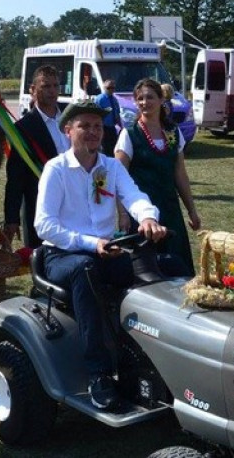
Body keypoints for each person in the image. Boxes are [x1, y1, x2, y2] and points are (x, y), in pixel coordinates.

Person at [35, 99, 167, 411]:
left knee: (163, 267)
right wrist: (90, 243)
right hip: (62, 256)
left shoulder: (111, 167)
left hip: (105, 251)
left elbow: (134, 197)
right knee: (85, 270)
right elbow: (44, 225)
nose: (93, 132)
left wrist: (148, 218)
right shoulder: (56, 170)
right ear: (68, 131)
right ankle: (99, 374)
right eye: (85, 126)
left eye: (97, 126)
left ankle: (149, 359)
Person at [115, 78, 200, 277]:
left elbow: (180, 175)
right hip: (140, 215)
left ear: (162, 99)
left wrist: (192, 211)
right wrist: (123, 214)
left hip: (170, 210)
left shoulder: (173, 133)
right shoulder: (129, 134)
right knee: (148, 271)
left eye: (150, 97)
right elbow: (118, 177)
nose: (144, 102)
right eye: (140, 98)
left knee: (178, 267)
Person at [3, 65, 69, 249]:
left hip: (73, 203)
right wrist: (11, 219)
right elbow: (15, 177)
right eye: (46, 86)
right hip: (40, 206)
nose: (52, 91)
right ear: (33, 89)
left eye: (56, 86)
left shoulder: (71, 116)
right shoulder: (24, 128)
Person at [95, 79, 122, 156]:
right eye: (108, 88)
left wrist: (121, 126)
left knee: (114, 147)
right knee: (104, 148)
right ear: (104, 88)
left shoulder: (114, 100)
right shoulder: (99, 99)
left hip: (112, 127)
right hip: (103, 127)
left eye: (113, 88)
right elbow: (95, 114)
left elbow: (117, 113)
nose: (111, 90)